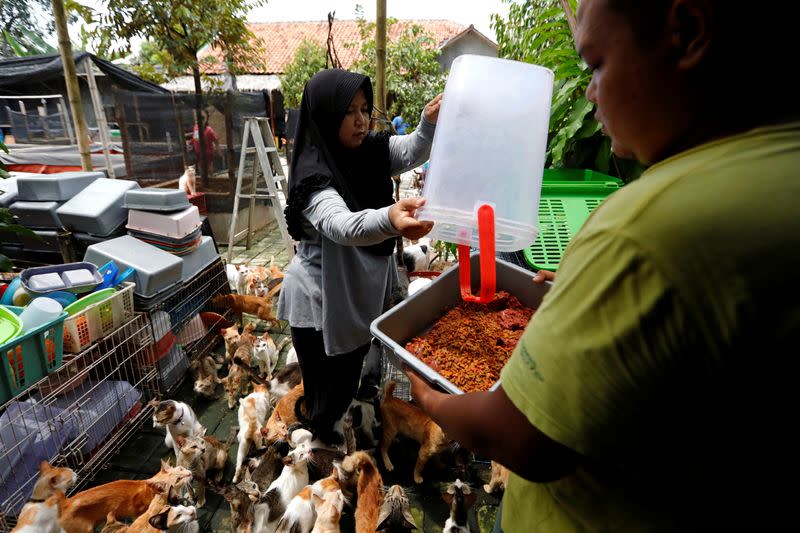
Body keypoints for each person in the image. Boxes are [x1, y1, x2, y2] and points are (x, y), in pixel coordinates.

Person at [406, 0, 798, 530]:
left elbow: (520, 439)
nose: (590, 94)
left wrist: (433, 399)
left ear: (685, 32)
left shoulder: (643, 230)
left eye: (596, 65)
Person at [279, 68, 441, 444]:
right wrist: (390, 217)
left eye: (365, 109)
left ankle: (331, 429)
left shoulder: (368, 151)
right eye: (348, 111)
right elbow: (342, 226)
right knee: (326, 390)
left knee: (348, 374)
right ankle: (319, 444)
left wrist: (428, 123)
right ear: (325, 115)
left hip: (353, 291)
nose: (361, 120)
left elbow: (414, 148)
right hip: (320, 302)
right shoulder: (312, 177)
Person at [191, 110, 221, 174]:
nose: (197, 122)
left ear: (204, 121)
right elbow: (195, 138)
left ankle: (211, 177)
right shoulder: (196, 127)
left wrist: (219, 151)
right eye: (197, 121)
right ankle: (203, 179)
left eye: (200, 121)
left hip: (207, 152)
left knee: (209, 166)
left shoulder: (209, 130)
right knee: (200, 166)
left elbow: (216, 140)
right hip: (198, 152)